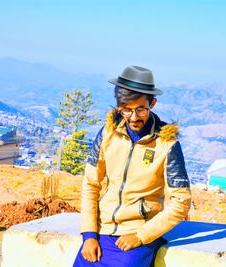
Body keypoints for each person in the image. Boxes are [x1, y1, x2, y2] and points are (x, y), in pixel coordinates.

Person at [73, 65, 191, 267]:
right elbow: (91, 184)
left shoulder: (167, 145)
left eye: (140, 109)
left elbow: (181, 202)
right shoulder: (107, 134)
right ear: (119, 106)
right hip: (102, 230)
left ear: (152, 103)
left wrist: (142, 236)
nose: (134, 117)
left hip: (137, 232)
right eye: (127, 109)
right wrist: (89, 234)